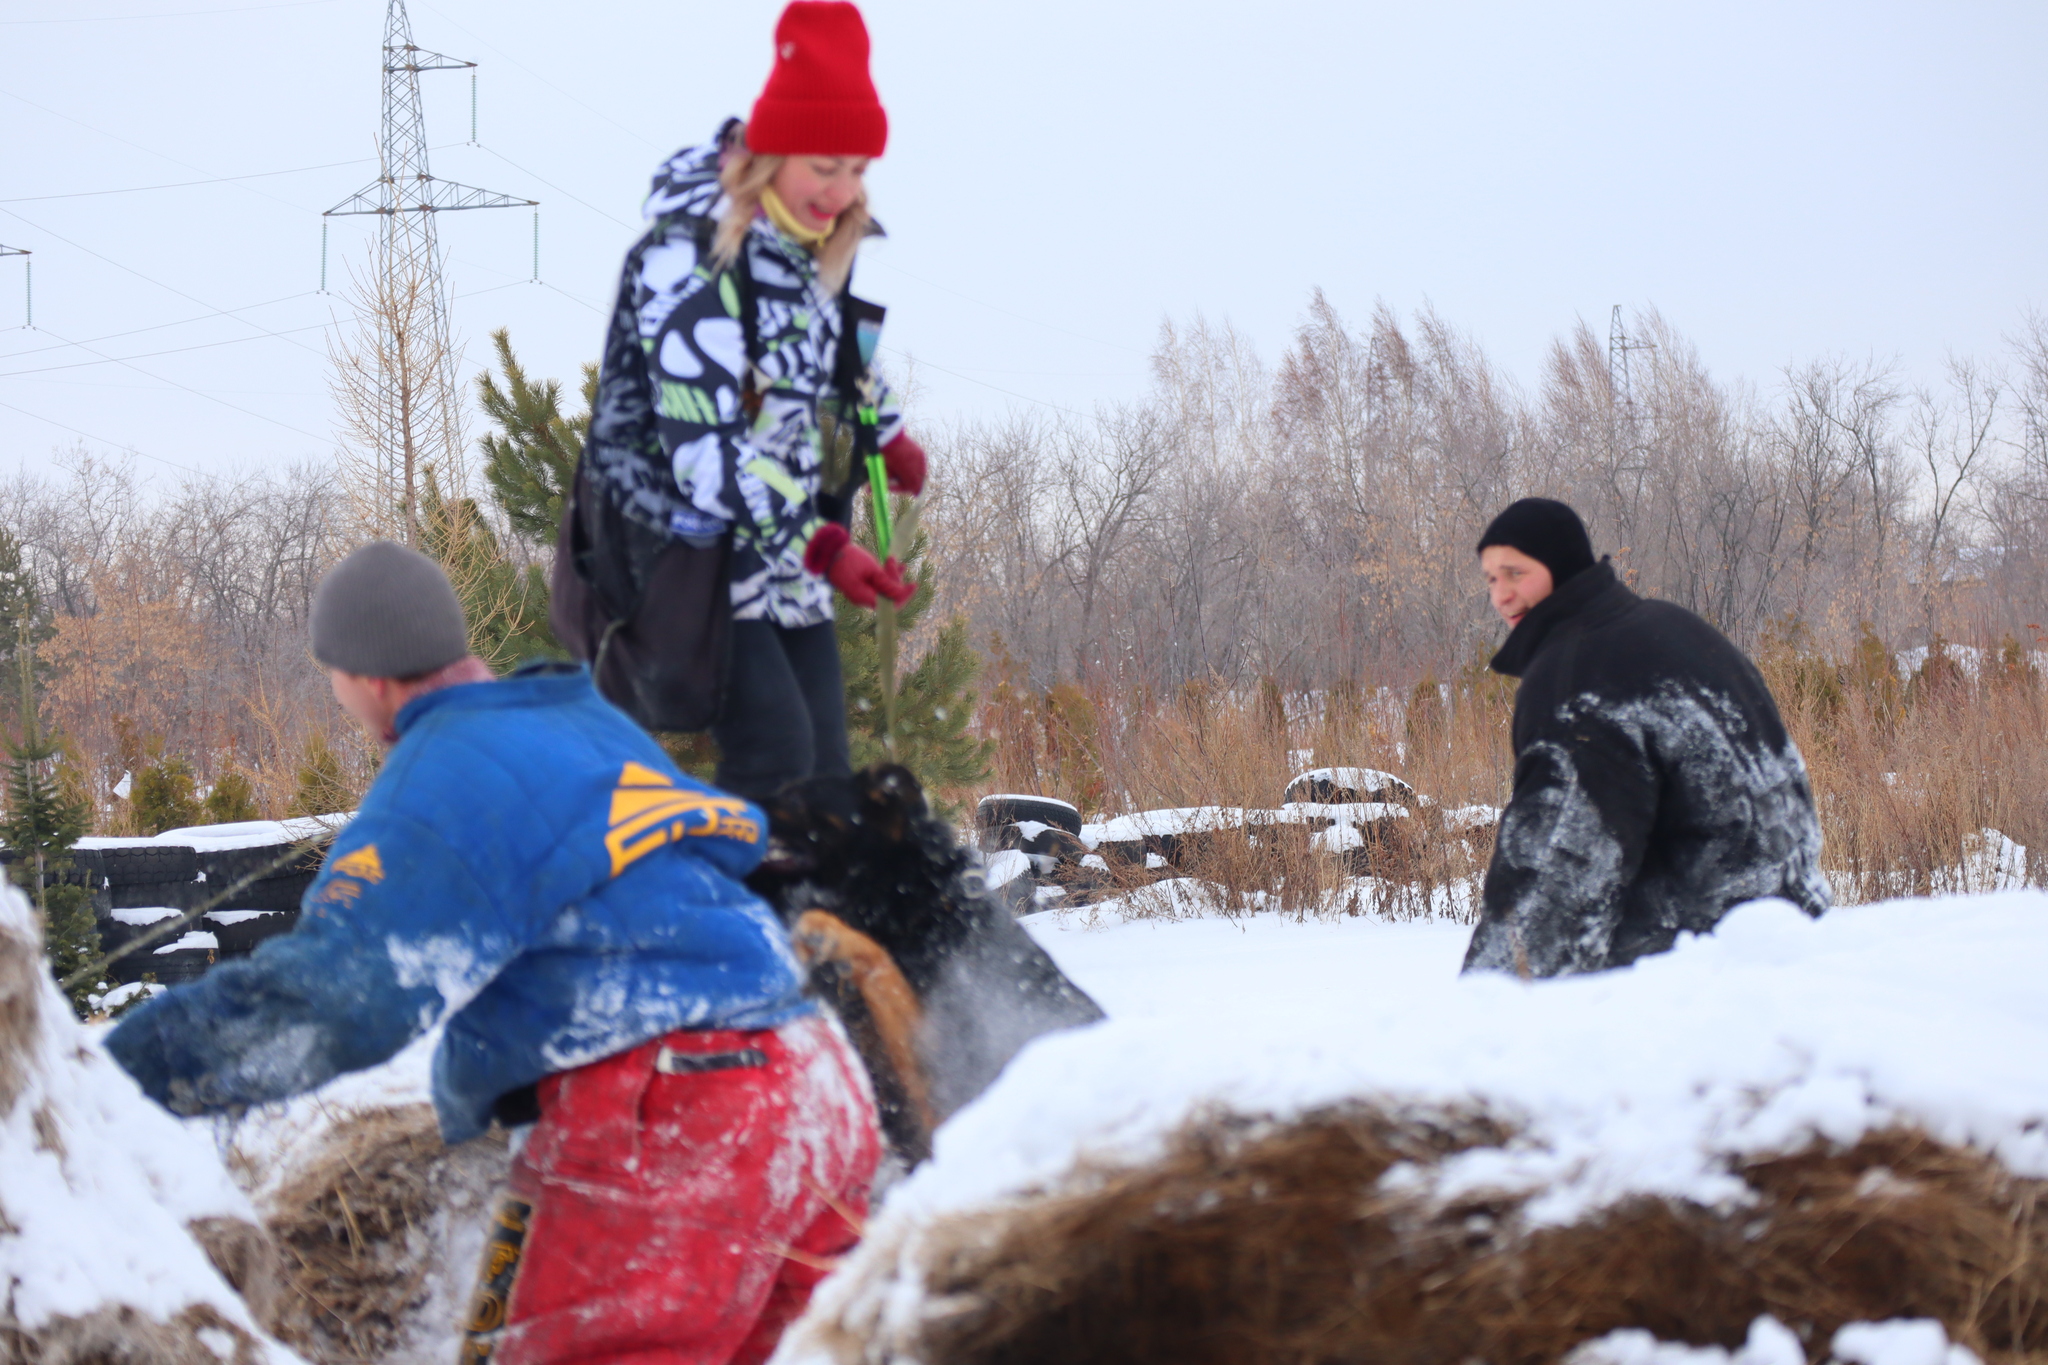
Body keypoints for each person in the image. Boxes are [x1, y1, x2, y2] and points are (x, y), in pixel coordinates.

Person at [105, 541, 880, 1365]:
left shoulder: (441, 779)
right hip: (815, 1085)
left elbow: (336, 998)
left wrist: (110, 1079)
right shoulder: (579, 722)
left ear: (366, 675)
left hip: (679, 1114)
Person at [580, 0, 923, 802]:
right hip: (689, 548)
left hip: (782, 548)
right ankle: (743, 924)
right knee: (777, 752)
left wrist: (889, 430)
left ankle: (817, 921)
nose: (840, 191)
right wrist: (827, 546)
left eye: (858, 170)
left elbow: (831, 356)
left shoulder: (805, 248)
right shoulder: (689, 256)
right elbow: (706, 453)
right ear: (771, 154)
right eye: (823, 165)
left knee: (827, 771)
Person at [1461, 498, 1830, 978]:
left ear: (1560, 567)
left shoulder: (1576, 675)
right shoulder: (1672, 629)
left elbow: (1557, 872)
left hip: (1690, 976)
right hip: (1794, 944)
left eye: (1515, 573)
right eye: (1491, 578)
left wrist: (1487, 1007)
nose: (1501, 596)